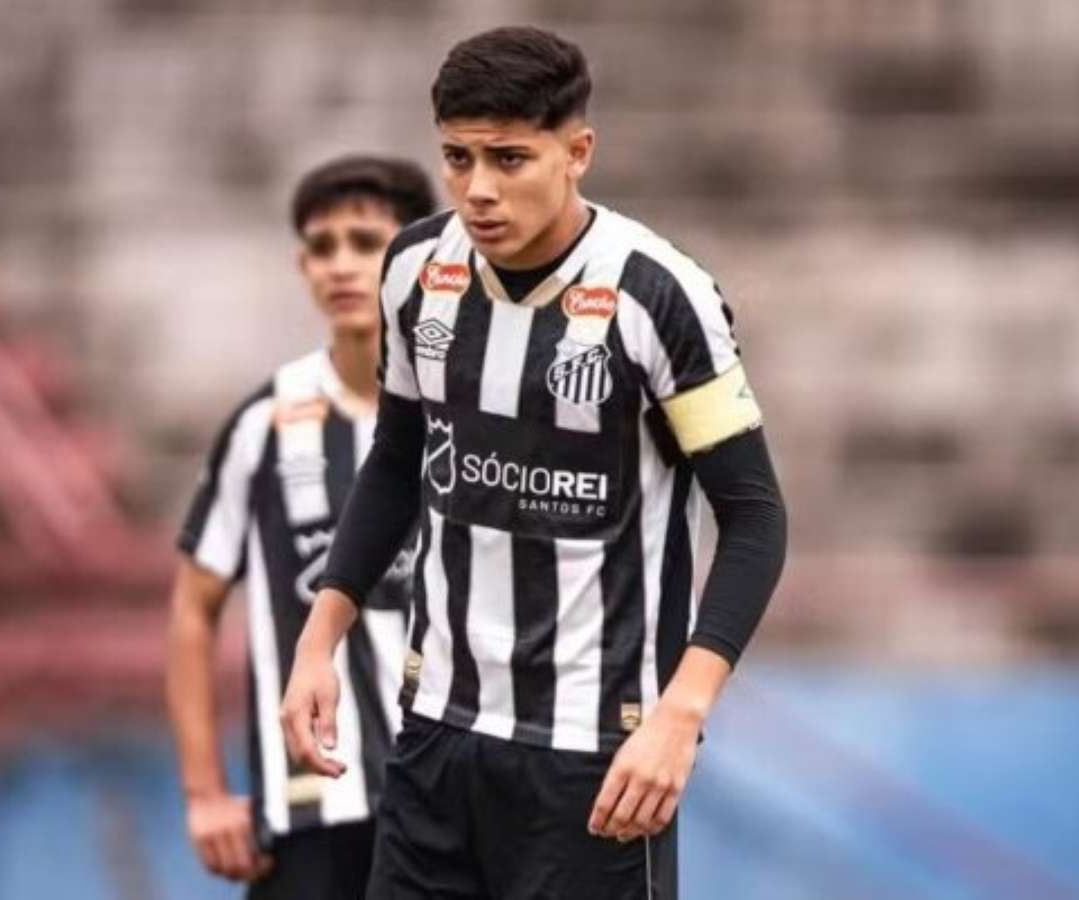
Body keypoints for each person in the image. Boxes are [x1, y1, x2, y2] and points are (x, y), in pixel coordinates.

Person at [281, 26, 787, 900]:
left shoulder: (658, 296)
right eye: (458, 157)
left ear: (577, 152)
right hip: (435, 733)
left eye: (509, 158)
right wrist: (318, 640)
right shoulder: (414, 270)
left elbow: (754, 516)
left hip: (596, 757)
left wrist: (681, 713)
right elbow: (399, 462)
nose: (479, 188)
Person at [166, 155, 437, 899]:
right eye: (322, 246)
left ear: (421, 259)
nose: (341, 265)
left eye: (365, 242)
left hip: (453, 804)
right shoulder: (265, 424)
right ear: (302, 265)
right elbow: (193, 606)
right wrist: (203, 792)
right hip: (313, 812)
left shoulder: (476, 410)